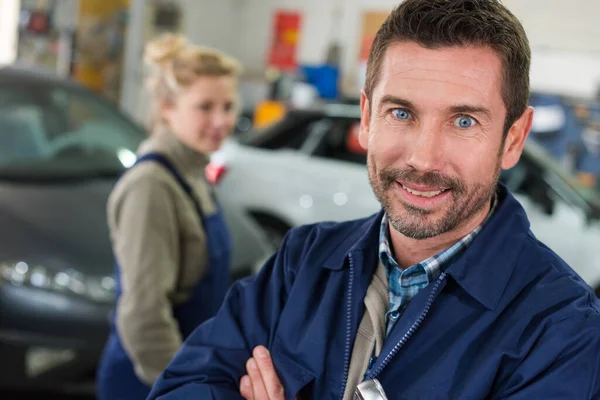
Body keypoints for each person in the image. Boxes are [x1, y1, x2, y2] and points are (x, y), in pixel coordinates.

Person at [149, 1, 600, 399]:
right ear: (367, 119)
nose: (423, 158)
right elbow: (181, 386)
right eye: (401, 113)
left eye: (463, 121)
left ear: (513, 138)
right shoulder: (300, 263)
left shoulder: (561, 330)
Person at [96, 33, 242, 400]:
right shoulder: (151, 186)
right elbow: (144, 315)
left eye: (228, 106)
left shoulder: (192, 172)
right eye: (205, 107)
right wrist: (183, 389)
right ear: (166, 107)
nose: (220, 120)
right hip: (147, 382)